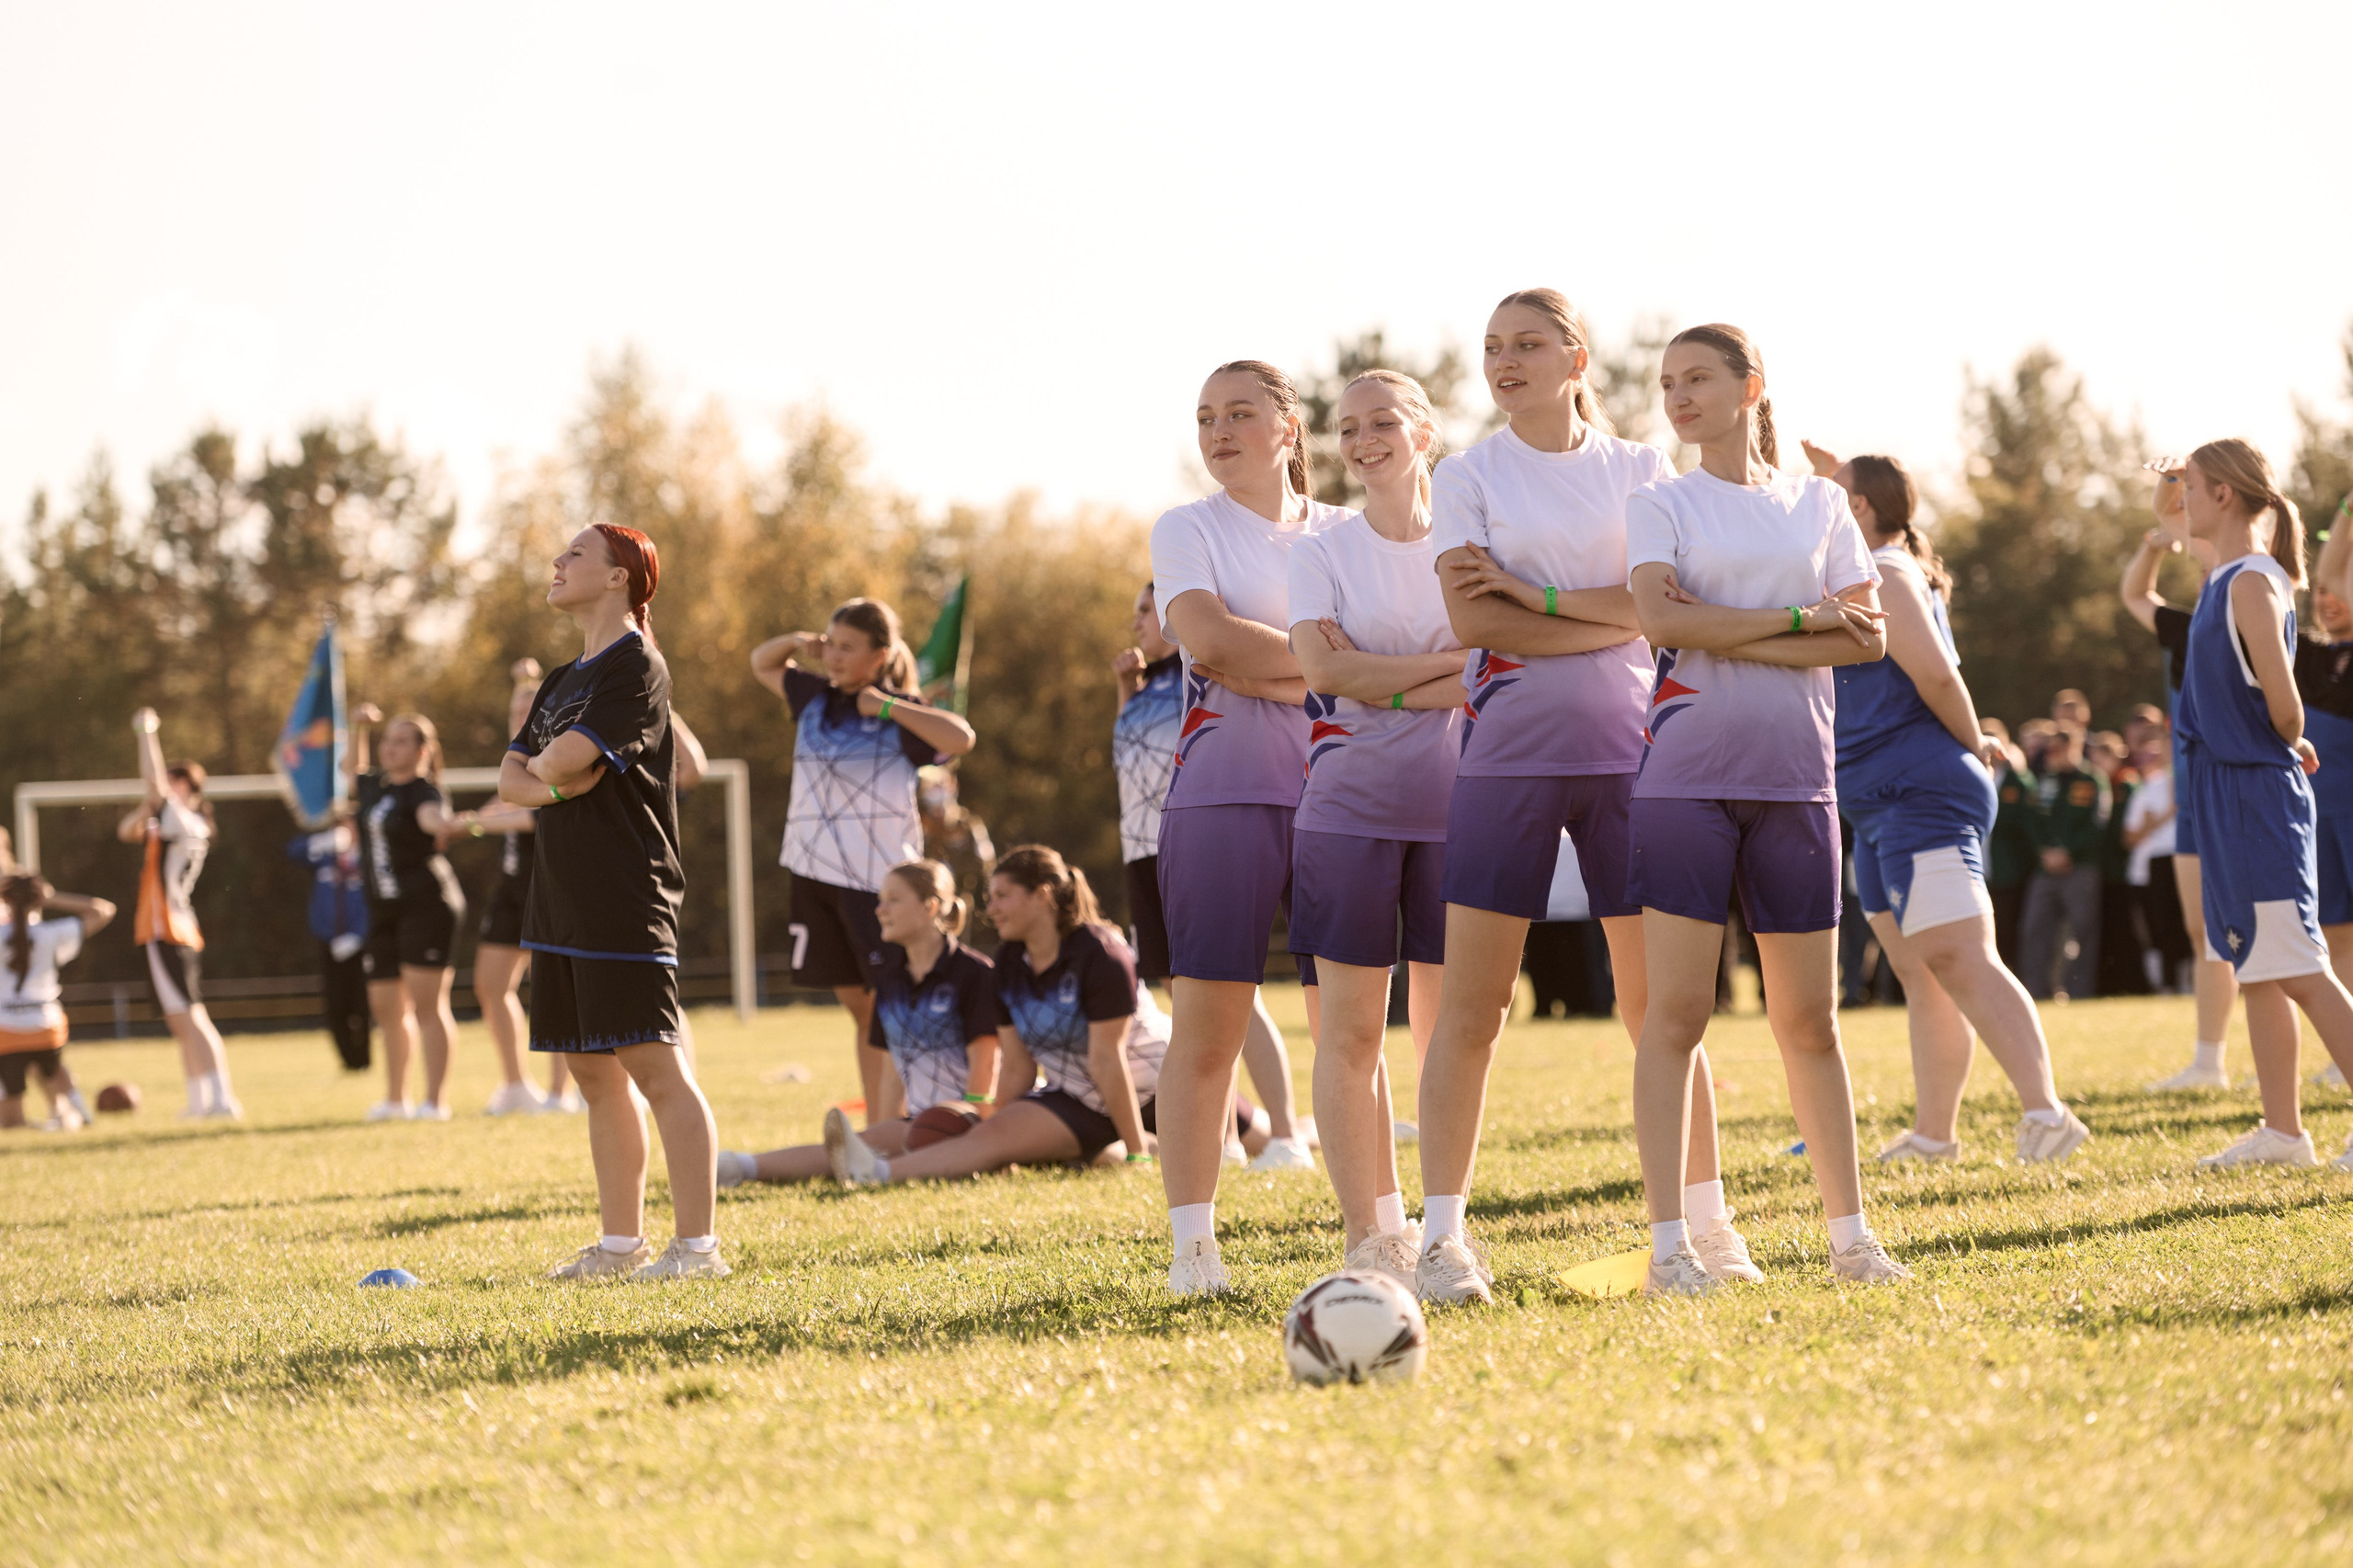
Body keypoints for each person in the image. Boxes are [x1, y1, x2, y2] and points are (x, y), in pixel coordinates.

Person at [1417, 290, 1745, 1305]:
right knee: (1471, 1010)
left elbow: (1659, 611)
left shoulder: (1644, 469)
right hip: (1503, 761)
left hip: (1637, 761)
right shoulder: (1464, 473)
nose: (1504, 362)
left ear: (1576, 357)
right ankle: (1440, 1241)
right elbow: (1473, 621)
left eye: (1526, 345)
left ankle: (1702, 1225)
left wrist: (1535, 596)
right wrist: (1589, 615)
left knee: (1661, 1009)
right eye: (1490, 349)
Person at [1622, 322, 1906, 1295]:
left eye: (1697, 377)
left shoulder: (1821, 501)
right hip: (1685, 785)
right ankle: (1671, 1248)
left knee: (1811, 1024)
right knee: (1678, 1014)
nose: (1678, 395)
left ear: (1752, 387)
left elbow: (1867, 639)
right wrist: (1797, 621)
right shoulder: (1657, 501)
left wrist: (1729, 631)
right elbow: (1663, 621)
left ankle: (1852, 1239)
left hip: (1798, 786)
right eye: (1666, 382)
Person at [1800, 443, 2089, 1165]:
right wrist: (1825, 473)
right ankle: (1935, 1136)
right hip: (1876, 803)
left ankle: (2048, 1114)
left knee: (1961, 957)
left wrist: (1978, 746)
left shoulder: (1888, 570)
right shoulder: (1875, 564)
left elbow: (1935, 677)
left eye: (1834, 496)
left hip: (1918, 793)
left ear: (1859, 509)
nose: (1821, 505)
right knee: (1922, 972)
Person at [1145, 360, 1352, 1297]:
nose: (1218, 431)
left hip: (1346, 799)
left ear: (1288, 427)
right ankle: (1194, 1251)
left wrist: (1297, 671)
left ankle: (1376, 1237)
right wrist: (1332, 669)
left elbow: (1391, 655)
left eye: (1239, 413)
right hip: (1221, 797)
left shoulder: (1349, 533)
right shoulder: (1186, 529)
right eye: (1203, 417)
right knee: (1207, 1033)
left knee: (1348, 1033)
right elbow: (1213, 643)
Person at [1285, 369, 1469, 1283]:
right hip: (1347, 815)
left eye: (1382, 421)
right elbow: (1330, 675)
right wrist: (1441, 672)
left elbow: (1495, 659)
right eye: (1347, 426)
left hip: (1462, 813)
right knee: (1351, 1035)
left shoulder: (1476, 542)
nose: (1361, 439)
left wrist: (1382, 672)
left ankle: (1445, 1232)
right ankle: (1373, 1232)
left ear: (1425, 432)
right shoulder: (1319, 549)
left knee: (1451, 1035)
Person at [508, 522, 729, 1278]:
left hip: (622, 897)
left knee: (655, 1070)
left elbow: (557, 762)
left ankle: (698, 1249)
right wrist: (557, 774)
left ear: (617, 579)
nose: (558, 562)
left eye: (575, 554)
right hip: (560, 899)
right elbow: (515, 782)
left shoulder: (637, 665)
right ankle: (619, 1245)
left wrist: (551, 772)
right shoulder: (561, 680)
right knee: (593, 1076)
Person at [826, 846, 1270, 1184]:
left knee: (1261, 1141)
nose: (990, 908)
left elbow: (1107, 1059)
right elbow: (1018, 1066)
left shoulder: (1100, 951)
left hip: (1160, 1087)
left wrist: (1135, 1151)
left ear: (1041, 896)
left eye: (1002, 896)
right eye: (989, 897)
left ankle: (1292, 1135)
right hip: (1078, 1097)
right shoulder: (1008, 965)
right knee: (992, 1139)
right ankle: (878, 1173)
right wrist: (994, 1123)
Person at [2158, 440, 2353, 1171]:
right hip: (2231, 792)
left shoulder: (2249, 583)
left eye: (2193, 488)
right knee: (2259, 967)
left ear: (2225, 497)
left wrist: (2282, 744)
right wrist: (2171, 480)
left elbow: (2288, 709)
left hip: (2253, 797)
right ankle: (2284, 1133)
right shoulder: (2226, 576)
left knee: (2299, 966)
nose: (2183, 500)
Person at [750, 600, 977, 1130]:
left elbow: (960, 737)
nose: (832, 655)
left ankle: (891, 1126)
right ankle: (882, 1126)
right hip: (812, 875)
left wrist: (889, 707)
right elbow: (763, 662)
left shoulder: (899, 712)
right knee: (860, 1008)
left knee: (885, 1005)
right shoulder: (812, 696)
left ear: (880, 657)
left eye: (847, 647)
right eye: (830, 643)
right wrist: (796, 639)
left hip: (878, 885)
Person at [1112, 581, 1313, 1164]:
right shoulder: (1146, 684)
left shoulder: (1196, 669)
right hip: (1142, 850)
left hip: (1199, 837)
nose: (1139, 623)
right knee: (1192, 1003)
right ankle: (1224, 1140)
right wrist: (1123, 689)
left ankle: (1284, 1135)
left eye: (1147, 610)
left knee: (1234, 997)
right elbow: (1130, 760)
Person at [717, 859, 997, 1185]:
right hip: (917, 1121)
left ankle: (880, 1168)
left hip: (972, 1117)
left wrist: (983, 1130)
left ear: (930, 906)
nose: (880, 910)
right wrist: (884, 1132)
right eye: (880, 900)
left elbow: (987, 1065)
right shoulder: (889, 982)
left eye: (893, 900)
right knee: (852, 1148)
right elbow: (893, 1076)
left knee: (876, 1146)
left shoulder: (975, 973)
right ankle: (737, 1167)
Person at [2122, 519, 2246, 1087]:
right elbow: (2134, 594)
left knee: (2271, 935)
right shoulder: (2186, 627)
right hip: (2194, 803)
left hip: (2243, 796)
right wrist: (2157, 537)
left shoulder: (2252, 617)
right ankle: (2209, 1061)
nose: (2204, 575)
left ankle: (2316, 1056)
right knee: (2205, 934)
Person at [449, 660, 569, 1114]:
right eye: (514, 710)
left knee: (553, 992)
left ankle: (562, 1094)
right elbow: (499, 804)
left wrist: (476, 826)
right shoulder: (516, 761)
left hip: (551, 888)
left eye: (529, 708)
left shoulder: (561, 755)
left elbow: (528, 815)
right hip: (512, 891)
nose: (519, 717)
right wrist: (462, 822)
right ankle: (518, 1086)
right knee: (490, 984)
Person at [115, 708, 239, 1119]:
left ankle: (222, 1099)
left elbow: (153, 785)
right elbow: (127, 829)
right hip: (166, 927)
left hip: (168, 926)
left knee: (192, 1017)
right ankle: (201, 1101)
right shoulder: (179, 822)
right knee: (180, 1021)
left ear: (183, 785)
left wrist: (146, 732)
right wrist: (147, 808)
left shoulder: (185, 820)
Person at [347, 705, 467, 1120]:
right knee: (386, 1007)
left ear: (421, 751)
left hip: (427, 907)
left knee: (428, 1006)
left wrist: (446, 825)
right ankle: (396, 1100)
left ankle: (435, 1102)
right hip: (382, 910)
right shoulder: (374, 787)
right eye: (388, 740)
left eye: (401, 741)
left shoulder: (424, 792)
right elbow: (351, 767)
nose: (391, 748)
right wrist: (359, 727)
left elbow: (434, 819)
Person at [1, 875, 113, 1131]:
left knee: (11, 1124)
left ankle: (53, 1123)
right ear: (38, 898)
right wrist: (53, 899)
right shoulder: (52, 933)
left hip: (5, 1032)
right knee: (55, 1079)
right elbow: (104, 910)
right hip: (46, 1027)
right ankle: (74, 1115)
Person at [2016, 724, 2108, 1001]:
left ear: (2075, 747)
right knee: (2035, 929)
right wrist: (2044, 852)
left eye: (2060, 748)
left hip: (2080, 868)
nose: (2054, 755)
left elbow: (2097, 824)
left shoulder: (2093, 780)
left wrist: (2069, 853)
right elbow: (2032, 820)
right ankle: (2035, 991)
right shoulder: (2044, 780)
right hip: (2045, 869)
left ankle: (2079, 992)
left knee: (2082, 931)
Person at [287, 812, 371, 1073]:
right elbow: (293, 851)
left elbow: (376, 903)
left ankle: (365, 1059)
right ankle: (348, 1062)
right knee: (336, 1005)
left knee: (364, 1003)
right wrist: (323, 841)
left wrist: (359, 935)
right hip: (329, 943)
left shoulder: (369, 861)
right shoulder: (326, 858)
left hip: (362, 945)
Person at [2123, 720, 2193, 991]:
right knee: (2164, 923)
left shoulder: (2192, 776)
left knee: (2190, 920)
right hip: (2162, 858)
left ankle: (2192, 978)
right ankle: (2168, 982)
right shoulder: (2152, 784)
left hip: (2189, 852)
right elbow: (2143, 828)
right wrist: (2172, 809)